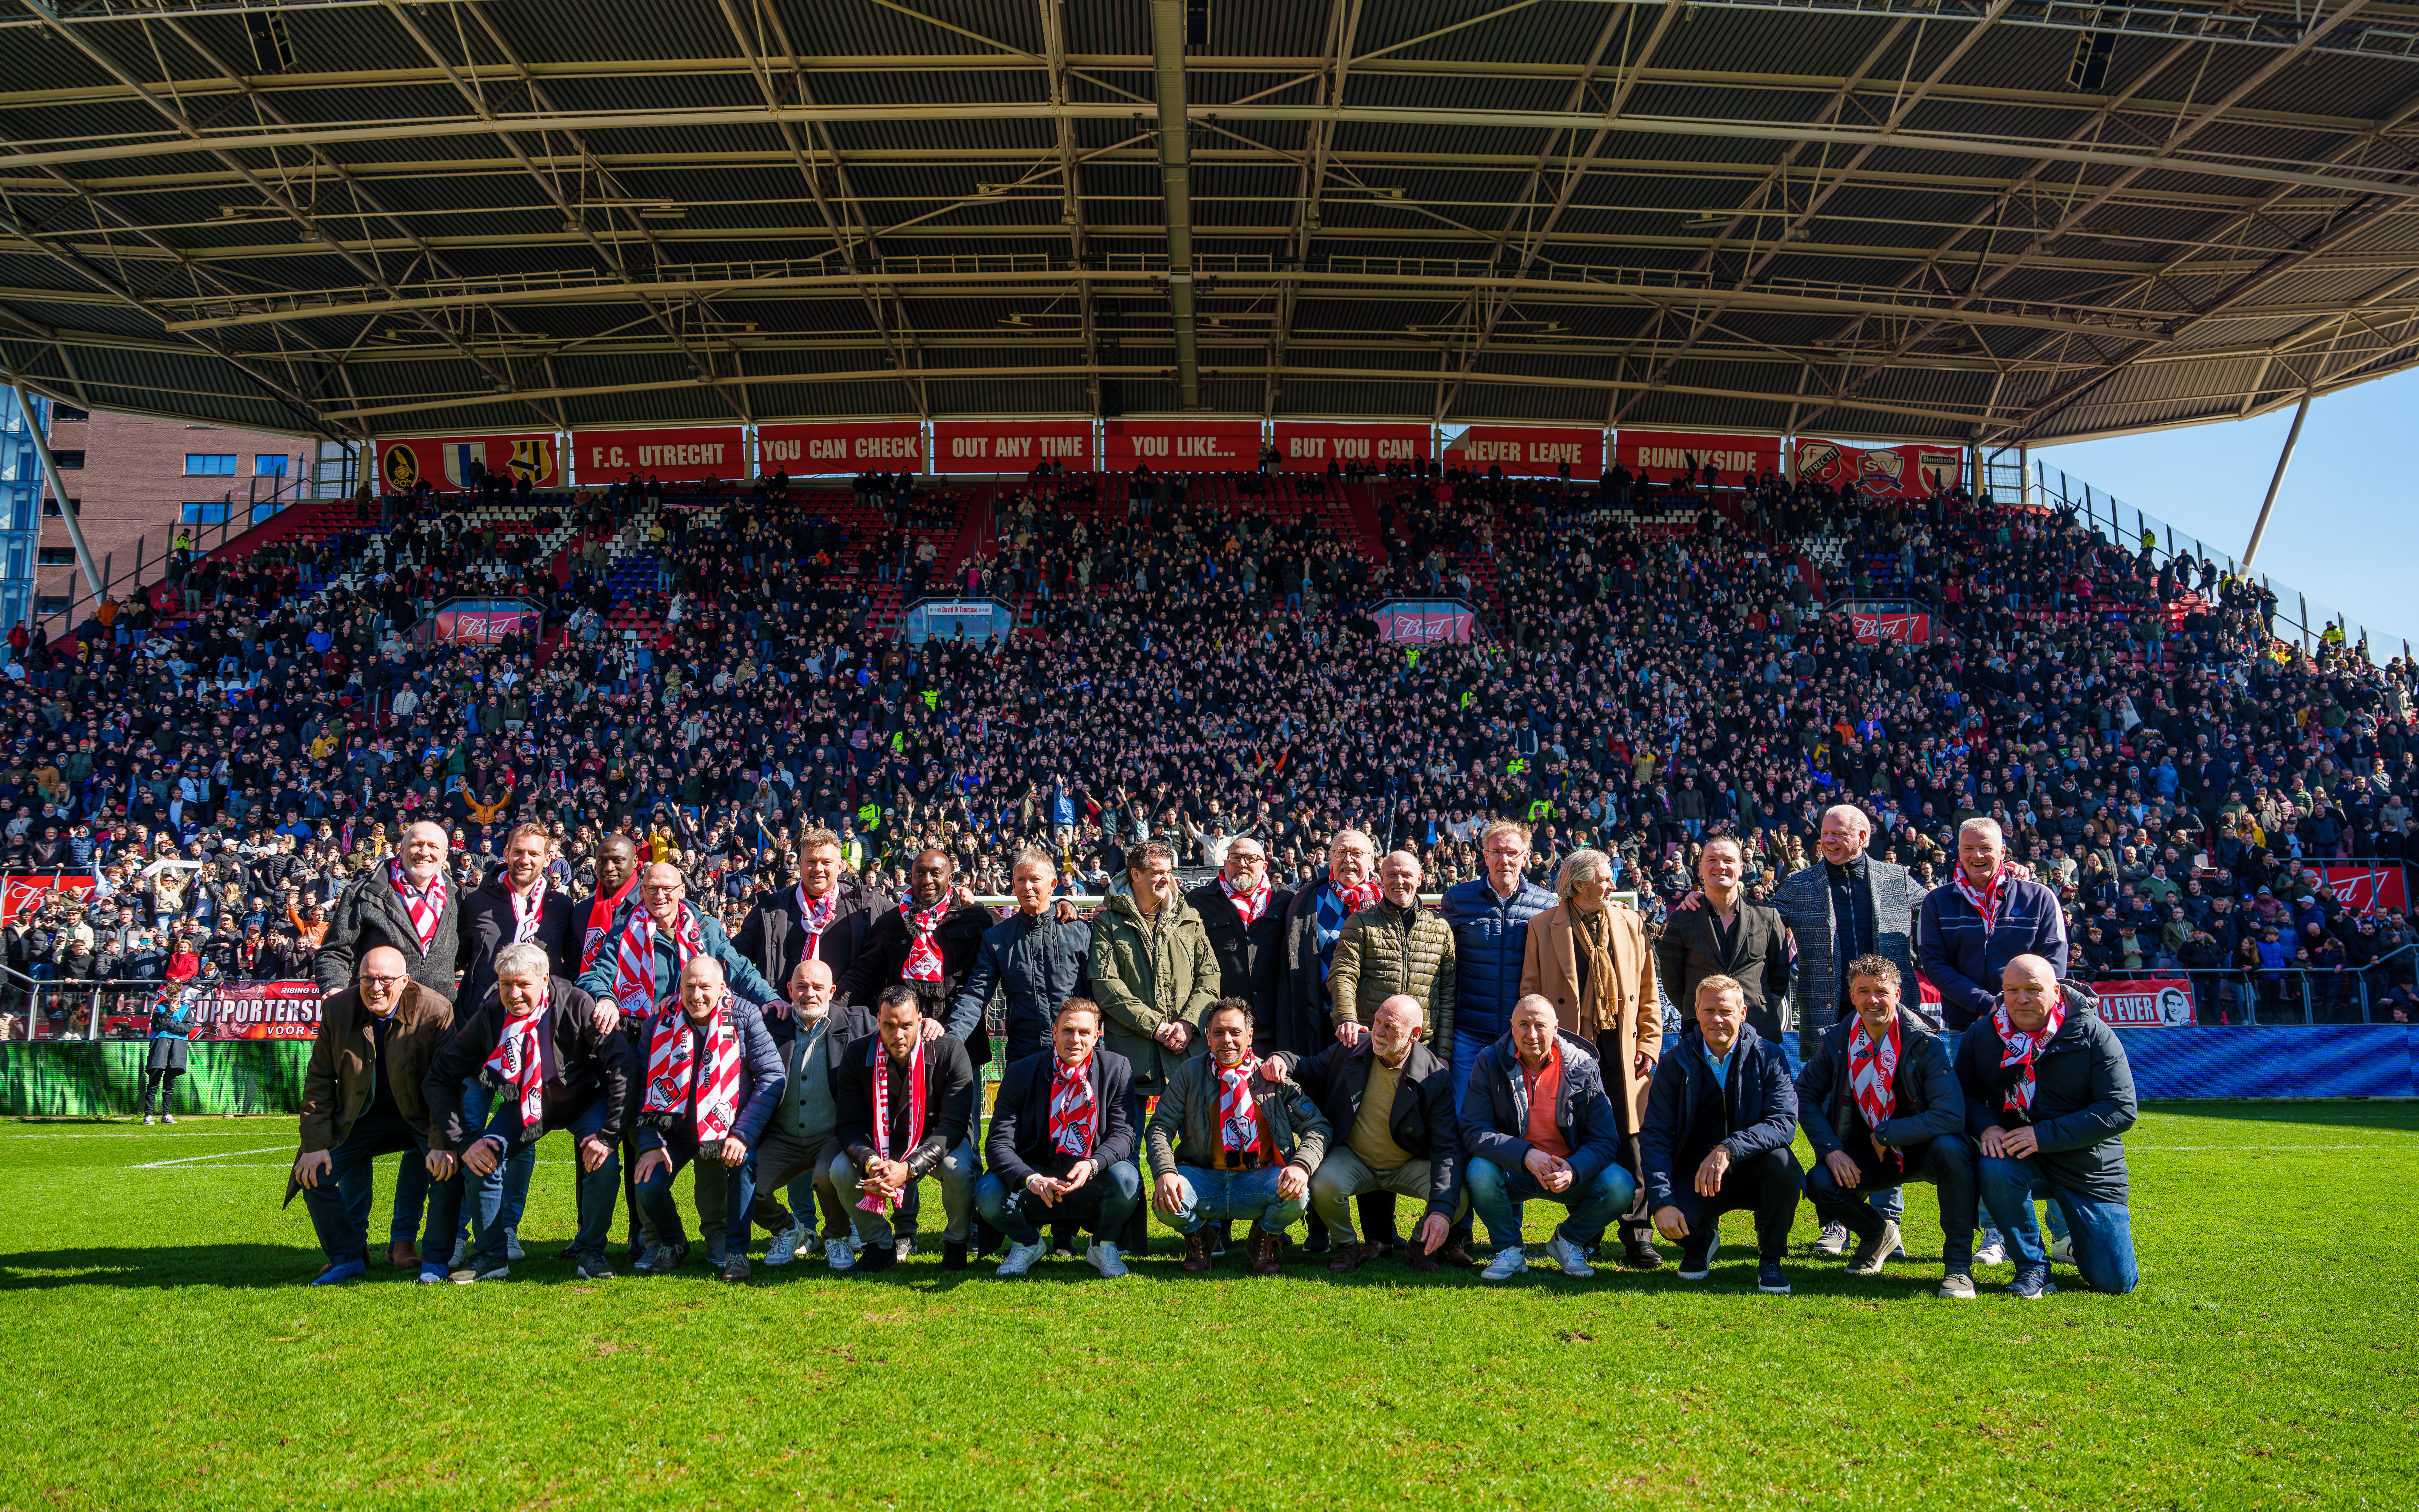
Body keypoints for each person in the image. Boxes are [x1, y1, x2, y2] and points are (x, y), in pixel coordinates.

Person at [1765, 803, 1925, 1257]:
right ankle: (1834, 1221)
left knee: (1891, 1115)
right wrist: (1709, 900)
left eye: (1839, 833)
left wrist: (2010, 874)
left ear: (1863, 836)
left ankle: (1886, 1217)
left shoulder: (1895, 878)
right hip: (1828, 1022)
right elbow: (1759, 924)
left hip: (1890, 1018)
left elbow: (1939, 905)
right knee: (1831, 1119)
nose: (1829, 841)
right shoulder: (1798, 886)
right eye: (1824, 834)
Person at [421, 943, 631, 1283]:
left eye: (523, 984)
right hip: (524, 1106)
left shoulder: (578, 1002)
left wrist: (609, 1137)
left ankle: (592, 1249)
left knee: (603, 1162)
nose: (514, 993)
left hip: (585, 1102)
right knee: (482, 1157)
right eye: (506, 984)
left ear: (545, 979)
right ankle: (492, 1255)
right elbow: (440, 1076)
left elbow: (623, 1066)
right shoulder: (491, 1012)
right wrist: (463, 1142)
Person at [1795, 954, 1981, 1299]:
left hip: (1924, 1147)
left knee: (1953, 1149)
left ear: (1898, 993)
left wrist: (1888, 1133)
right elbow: (1804, 1095)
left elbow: (1951, 1116)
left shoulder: (1925, 1041)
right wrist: (1832, 1150)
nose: (1872, 1000)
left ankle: (1958, 1266)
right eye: (1863, 991)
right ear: (1852, 995)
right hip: (1869, 1151)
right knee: (1820, 1180)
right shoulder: (1838, 1040)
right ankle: (1878, 1234)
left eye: (1881, 990)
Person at [1956, 954, 2141, 1298]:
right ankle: (2033, 1268)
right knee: (1994, 1164)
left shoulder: (2093, 1033)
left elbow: (2120, 1109)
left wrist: (2042, 1136)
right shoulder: (1982, 1034)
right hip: (2022, 1156)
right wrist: (1986, 1127)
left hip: (2088, 1166)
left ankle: (2078, 1244)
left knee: (2114, 1281)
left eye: (2033, 989)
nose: (2021, 998)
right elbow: (1962, 1095)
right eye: (2012, 989)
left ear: (2057, 991)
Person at [1519, 847, 1663, 1268]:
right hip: (1570, 1047)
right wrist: (1543, 1048)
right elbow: (1531, 991)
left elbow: (1648, 993)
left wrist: (1649, 1044)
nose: (1611, 884)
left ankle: (1638, 1234)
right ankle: (1588, 1231)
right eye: (1603, 878)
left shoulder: (1631, 922)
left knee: (1630, 1141)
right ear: (1578, 883)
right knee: (1580, 1137)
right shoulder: (1542, 927)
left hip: (1623, 1049)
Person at [286, 944, 456, 1284]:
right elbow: (320, 1078)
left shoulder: (437, 1010)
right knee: (313, 1174)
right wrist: (315, 1144)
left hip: (421, 1116)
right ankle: (347, 1257)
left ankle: (436, 1261)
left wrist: (443, 1142)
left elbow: (448, 1084)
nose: (375, 987)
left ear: (405, 980)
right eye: (367, 978)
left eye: (384, 979)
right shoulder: (337, 1008)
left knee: (449, 1170)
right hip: (360, 1116)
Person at [450, 820, 577, 1261]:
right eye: (517, 852)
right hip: (479, 1038)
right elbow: (457, 960)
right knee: (467, 1132)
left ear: (548, 859)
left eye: (534, 854)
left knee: (521, 1141)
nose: (525, 860)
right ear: (505, 853)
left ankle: (506, 1228)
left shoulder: (562, 907)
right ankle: (456, 1232)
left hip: (532, 1048)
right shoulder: (474, 902)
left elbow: (570, 971)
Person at [1277, 994, 1468, 1274]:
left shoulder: (1435, 1077)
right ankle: (1347, 1244)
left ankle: (1419, 1245)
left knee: (1457, 1197)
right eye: (1377, 1021)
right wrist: (1280, 1059)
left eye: (1390, 1027)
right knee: (1323, 1184)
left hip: (1406, 1163)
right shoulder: (1351, 1049)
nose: (1378, 1032)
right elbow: (1308, 1068)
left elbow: (1447, 1147)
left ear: (1415, 1035)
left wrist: (1440, 1212)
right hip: (1354, 1158)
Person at [1145, 998, 1331, 1275]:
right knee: (1166, 1202)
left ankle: (1263, 1239)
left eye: (1235, 1032)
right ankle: (1201, 1237)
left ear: (1250, 1035)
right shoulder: (1189, 1072)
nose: (1227, 1040)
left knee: (1299, 1193)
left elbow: (1317, 1125)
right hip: (1205, 1176)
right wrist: (1165, 1171)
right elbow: (1160, 1125)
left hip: (1260, 1177)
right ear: (1207, 1037)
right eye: (1218, 1032)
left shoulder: (1271, 1074)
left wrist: (1301, 1165)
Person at [1641, 975, 1802, 1296]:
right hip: (1697, 1173)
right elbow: (1655, 1135)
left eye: (1726, 1011)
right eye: (1710, 1010)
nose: (1717, 1019)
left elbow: (1784, 1123)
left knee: (1783, 1164)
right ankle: (1698, 1244)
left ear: (1743, 1013)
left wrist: (1729, 1147)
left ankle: (1771, 1259)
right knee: (1673, 1216)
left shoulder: (1770, 1055)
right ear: (1697, 1012)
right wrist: (1661, 1202)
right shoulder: (1674, 1062)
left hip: (1755, 1169)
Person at [630, 955, 786, 1282]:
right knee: (648, 1184)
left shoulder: (746, 1015)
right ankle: (673, 1243)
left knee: (743, 1166)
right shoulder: (658, 1021)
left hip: (728, 1126)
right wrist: (649, 1143)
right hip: (673, 1127)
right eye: (689, 986)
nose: (696, 994)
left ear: (722, 987)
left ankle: (737, 1252)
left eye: (705, 987)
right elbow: (639, 1083)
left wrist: (743, 1134)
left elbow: (772, 1076)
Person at [1459, 994, 1635, 1280]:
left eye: (1540, 1025)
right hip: (1515, 1169)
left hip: (1567, 1170)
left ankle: (1568, 1240)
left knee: (1621, 1184)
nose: (1532, 1034)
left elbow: (1605, 1141)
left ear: (1555, 1027)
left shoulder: (1583, 1065)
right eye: (1524, 1024)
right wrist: (1525, 1154)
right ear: (1512, 1027)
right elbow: (1474, 1130)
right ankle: (1510, 1250)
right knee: (1479, 1170)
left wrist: (1574, 1168)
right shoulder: (1488, 1061)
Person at [977, 997, 1144, 1278]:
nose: (1075, 1039)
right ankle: (1028, 1242)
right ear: (1054, 1032)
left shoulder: (1117, 1067)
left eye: (1083, 1032)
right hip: (1036, 1183)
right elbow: (997, 1143)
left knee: (1128, 1178)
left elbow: (1124, 1133)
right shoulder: (1021, 1072)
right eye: (1067, 1030)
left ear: (1096, 1036)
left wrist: (1094, 1163)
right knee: (988, 1192)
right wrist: (1030, 1178)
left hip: (1090, 1178)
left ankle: (1103, 1244)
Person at [831, 985, 979, 1274]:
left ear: (921, 1020)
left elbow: (954, 1125)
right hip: (881, 1144)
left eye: (907, 1026)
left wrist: (910, 1167)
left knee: (959, 1168)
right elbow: (848, 1123)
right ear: (878, 1021)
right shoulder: (857, 1052)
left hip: (938, 1140)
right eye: (889, 1026)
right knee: (839, 1169)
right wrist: (870, 1161)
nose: (898, 1035)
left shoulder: (950, 1050)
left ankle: (956, 1243)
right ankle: (880, 1246)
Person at [745, 957, 876, 1270]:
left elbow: (895, 1027)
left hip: (831, 1136)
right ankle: (789, 1229)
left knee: (828, 1176)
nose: (810, 994)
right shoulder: (771, 1025)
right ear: (789, 990)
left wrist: (924, 1023)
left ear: (832, 991)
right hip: (782, 1136)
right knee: (745, 1185)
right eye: (802, 987)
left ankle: (837, 1236)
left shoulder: (858, 1023)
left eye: (818, 987)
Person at [833, 847, 998, 1071]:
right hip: (901, 1048)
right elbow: (861, 976)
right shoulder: (889, 924)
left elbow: (1016, 933)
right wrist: (827, 1009)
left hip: (961, 1049)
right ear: (911, 876)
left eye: (935, 873)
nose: (927, 880)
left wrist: (1059, 907)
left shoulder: (976, 917)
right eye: (919, 872)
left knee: (961, 1107)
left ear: (950, 878)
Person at [1439, 819, 1556, 1108]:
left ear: (1525, 858)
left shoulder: (1546, 904)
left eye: (1512, 853)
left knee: (1522, 1117)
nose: (1505, 859)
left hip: (1522, 1035)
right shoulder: (1457, 899)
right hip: (1469, 1032)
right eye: (1497, 852)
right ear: (1486, 855)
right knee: (1463, 1113)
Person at [1086, 840, 1216, 1093]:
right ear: (1135, 874)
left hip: (1188, 1055)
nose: (1166, 879)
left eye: (1169, 872)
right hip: (1131, 1061)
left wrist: (1188, 1023)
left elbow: (1210, 977)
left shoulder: (1189, 918)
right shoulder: (1108, 923)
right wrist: (1156, 1026)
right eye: (1158, 872)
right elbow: (1107, 987)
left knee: (1196, 1134)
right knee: (1126, 1134)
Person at [952, 846, 1090, 1070]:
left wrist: (1084, 1036)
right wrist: (951, 1040)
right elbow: (976, 995)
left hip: (1077, 1056)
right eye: (1021, 880)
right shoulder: (997, 937)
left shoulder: (1080, 931)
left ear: (1052, 885)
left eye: (1035, 879)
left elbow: (1094, 993)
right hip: (1023, 1058)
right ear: (1014, 885)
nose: (1027, 887)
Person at [734, 826, 887, 1018]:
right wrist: (766, 997)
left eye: (826, 862)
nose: (818, 869)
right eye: (811, 861)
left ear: (840, 866)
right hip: (784, 1026)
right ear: (799, 864)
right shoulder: (770, 908)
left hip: (848, 1029)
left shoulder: (868, 906)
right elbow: (735, 959)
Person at [1656, 835, 1791, 1044]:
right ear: (1700, 870)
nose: (1720, 866)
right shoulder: (1682, 918)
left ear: (1741, 869)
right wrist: (1697, 1006)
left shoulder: (1768, 916)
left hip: (1760, 1029)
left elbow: (1780, 973)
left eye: (1728, 860)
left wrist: (1762, 1003)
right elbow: (1672, 980)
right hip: (1700, 1033)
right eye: (1711, 860)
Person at [313, 820, 460, 1000]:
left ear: (445, 854)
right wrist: (334, 988)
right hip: (375, 1013)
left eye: (433, 847)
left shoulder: (454, 896)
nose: (424, 853)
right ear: (402, 849)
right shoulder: (363, 893)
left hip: (436, 1017)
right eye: (416, 845)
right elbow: (334, 952)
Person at [1328, 848, 1456, 1050]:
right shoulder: (1360, 921)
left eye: (1407, 875)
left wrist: (1443, 1052)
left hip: (1421, 1046)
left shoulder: (1440, 927)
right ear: (1381, 878)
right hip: (1370, 1039)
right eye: (1392, 875)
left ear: (1420, 878)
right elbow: (1343, 974)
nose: (1399, 881)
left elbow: (1447, 994)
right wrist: (1347, 1018)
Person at [1187, 835, 1294, 1055]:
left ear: (1264, 866)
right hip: (1221, 1027)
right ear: (1225, 864)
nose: (1242, 864)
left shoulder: (1287, 899)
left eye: (1250, 858)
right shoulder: (1196, 901)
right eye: (1235, 858)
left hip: (1274, 1028)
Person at [1278, 828, 1379, 1058]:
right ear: (1330, 858)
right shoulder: (1306, 900)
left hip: (1375, 1020)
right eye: (1340, 852)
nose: (1348, 860)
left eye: (1356, 853)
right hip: (1322, 1021)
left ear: (1371, 860)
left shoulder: (1385, 901)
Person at [139, 983, 196, 1125]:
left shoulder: (186, 1009)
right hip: (160, 1044)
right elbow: (157, 1026)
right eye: (171, 996)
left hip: (177, 1046)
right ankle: (149, 1115)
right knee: (154, 1082)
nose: (174, 999)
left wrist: (170, 1025)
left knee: (169, 1083)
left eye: (176, 996)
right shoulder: (159, 1008)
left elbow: (188, 1028)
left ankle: (166, 1114)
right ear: (167, 996)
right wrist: (169, 1013)